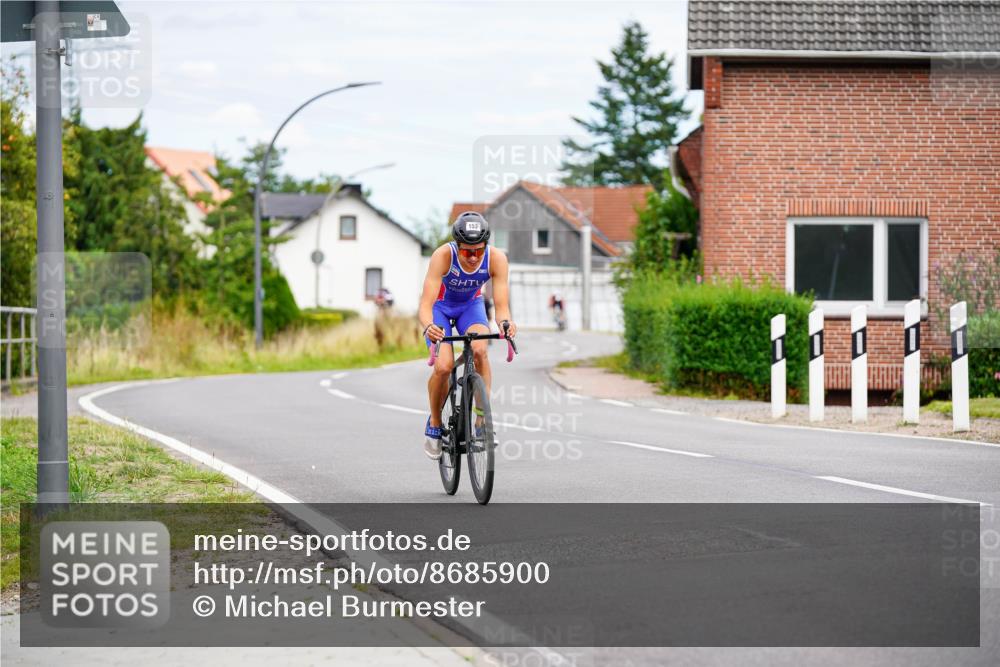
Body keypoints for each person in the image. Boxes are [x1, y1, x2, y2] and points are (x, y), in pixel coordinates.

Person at [418, 211, 517, 459]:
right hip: (440, 308)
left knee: (481, 351)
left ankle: (482, 423)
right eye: (466, 252)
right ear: (456, 246)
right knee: (443, 367)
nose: (473, 257)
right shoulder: (443, 255)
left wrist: (506, 323)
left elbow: (501, 304)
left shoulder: (496, 259)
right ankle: (435, 423)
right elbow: (426, 304)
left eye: (478, 251)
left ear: (486, 246)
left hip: (470, 307)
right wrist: (429, 325)